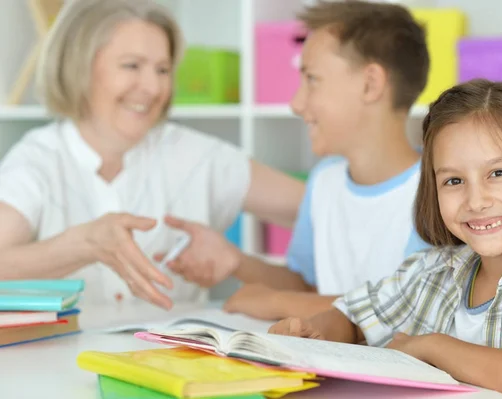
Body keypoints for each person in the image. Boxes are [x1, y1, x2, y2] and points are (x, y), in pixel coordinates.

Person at [269, 80, 502, 398]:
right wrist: (312, 334)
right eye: (454, 180)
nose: (476, 200)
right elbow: (352, 317)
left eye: (498, 173)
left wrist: (429, 345)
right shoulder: (431, 272)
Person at [0, 0, 303, 310]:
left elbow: (319, 207)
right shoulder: (38, 160)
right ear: (78, 66)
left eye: (163, 69)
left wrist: (238, 261)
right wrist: (83, 245)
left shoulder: (194, 155)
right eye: (132, 65)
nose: (153, 87)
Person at [161, 0, 430, 320]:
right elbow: (307, 288)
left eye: (312, 79)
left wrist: (277, 303)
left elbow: (404, 309)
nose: (296, 103)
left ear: (370, 84)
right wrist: (236, 261)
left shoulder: (436, 190)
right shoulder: (325, 181)